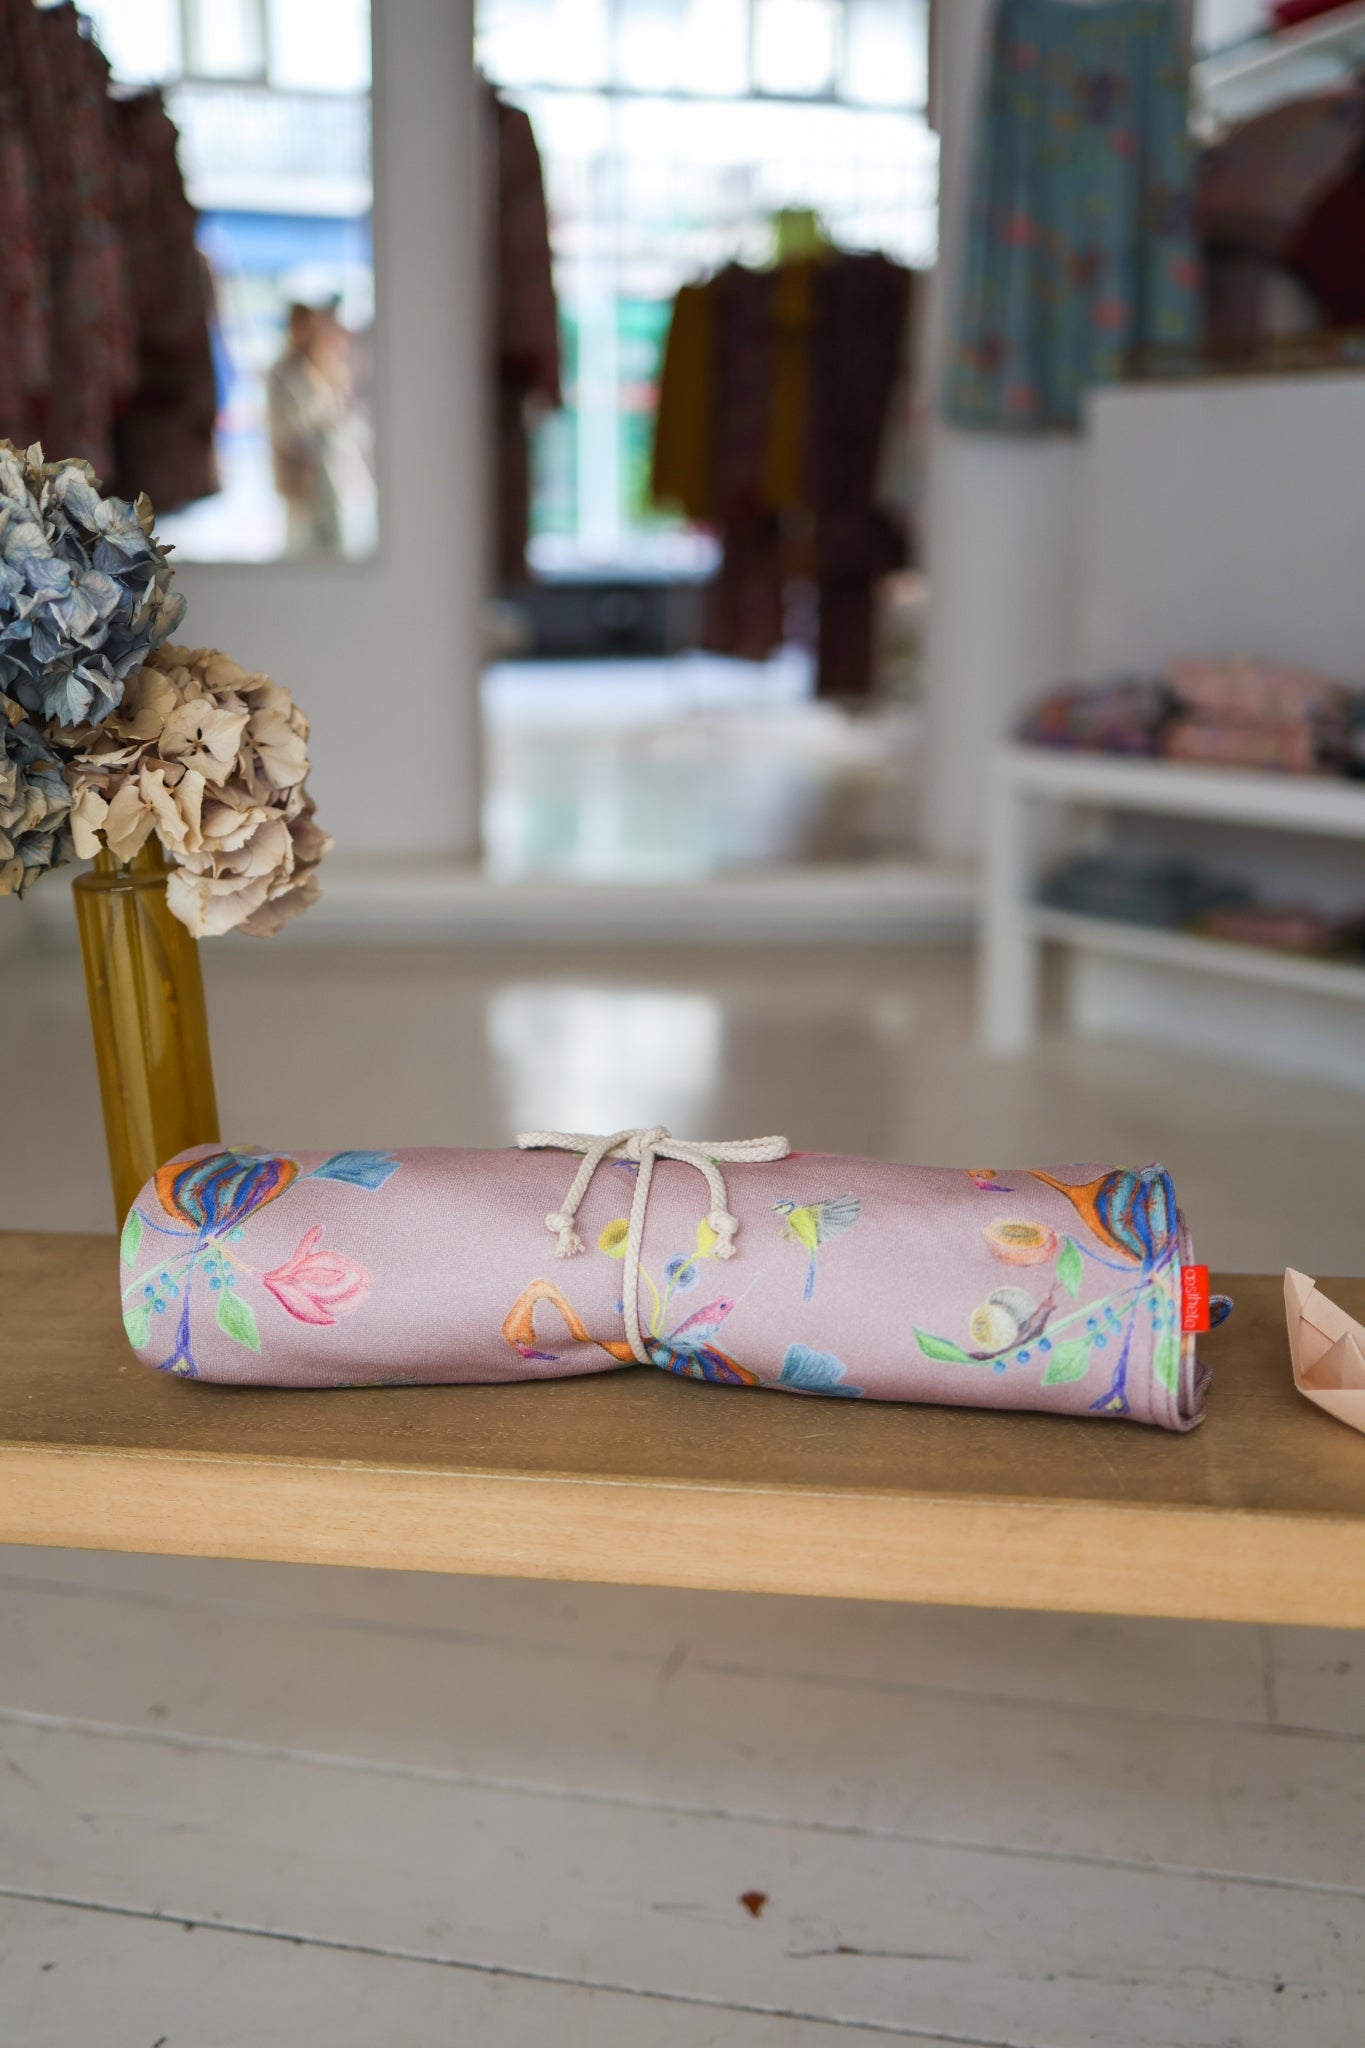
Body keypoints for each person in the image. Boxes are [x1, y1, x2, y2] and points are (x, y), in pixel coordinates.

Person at [266, 301, 348, 556]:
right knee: (301, 548)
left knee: (331, 543)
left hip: (323, 473)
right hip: (299, 476)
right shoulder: (281, 373)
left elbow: (333, 415)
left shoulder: (320, 367)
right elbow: (284, 430)